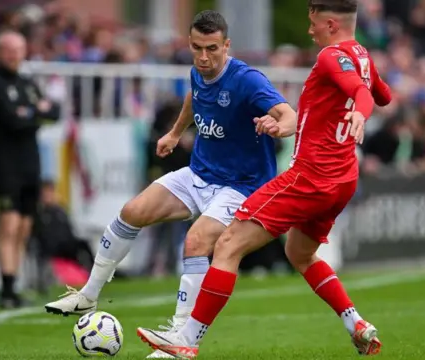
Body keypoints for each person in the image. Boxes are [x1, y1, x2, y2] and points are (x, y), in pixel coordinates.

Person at [136, 0, 393, 357]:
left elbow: (365, 96)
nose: (309, 30)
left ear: (331, 24)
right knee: (299, 252)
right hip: (343, 177)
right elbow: (383, 93)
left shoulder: (330, 57)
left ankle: (187, 340)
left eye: (314, 23)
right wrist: (357, 105)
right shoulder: (361, 55)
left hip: (311, 175)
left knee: (227, 245)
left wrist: (359, 115)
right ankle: (356, 323)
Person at [45, 10, 296, 359]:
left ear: (227, 45)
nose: (204, 57)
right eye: (197, 48)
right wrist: (176, 133)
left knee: (195, 241)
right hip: (199, 173)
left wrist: (279, 127)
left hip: (240, 185)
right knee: (132, 211)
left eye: (212, 49)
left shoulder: (247, 80)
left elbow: (289, 115)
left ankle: (179, 338)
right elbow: (194, 99)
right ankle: (88, 294)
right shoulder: (198, 71)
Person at [0, 30, 60, 309]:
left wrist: (30, 111)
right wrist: (35, 111)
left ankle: (13, 284)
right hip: (5, 166)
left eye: (19, 50)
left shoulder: (28, 83)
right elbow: (12, 120)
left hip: (30, 165)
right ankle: (5, 289)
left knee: (24, 229)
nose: (14, 55)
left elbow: (54, 111)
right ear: (0, 52)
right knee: (9, 226)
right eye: (9, 50)